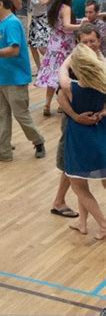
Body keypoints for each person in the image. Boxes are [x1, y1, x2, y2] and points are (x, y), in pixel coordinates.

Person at [0, 0, 45, 161]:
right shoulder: (1, 23)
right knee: (1, 116)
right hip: (1, 79)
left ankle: (38, 142)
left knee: (21, 115)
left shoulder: (12, 23)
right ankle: (3, 151)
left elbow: (14, 50)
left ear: (1, 4)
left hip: (15, 80)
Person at [52, 23, 103, 219]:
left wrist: (102, 113)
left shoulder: (101, 62)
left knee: (81, 169)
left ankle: (82, 219)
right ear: (77, 44)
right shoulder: (75, 64)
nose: (90, 45)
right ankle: (59, 201)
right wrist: (75, 116)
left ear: (99, 41)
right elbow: (60, 94)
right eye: (85, 42)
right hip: (76, 123)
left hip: (96, 123)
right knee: (72, 164)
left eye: (93, 41)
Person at [58, 44, 106, 240]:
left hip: (78, 139)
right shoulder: (103, 85)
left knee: (79, 185)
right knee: (82, 180)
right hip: (100, 135)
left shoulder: (71, 88)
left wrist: (71, 55)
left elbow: (61, 70)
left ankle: (103, 225)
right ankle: (82, 223)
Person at [35, 0, 82, 117]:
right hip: (65, 45)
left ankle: (47, 104)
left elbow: (59, 24)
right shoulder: (66, 7)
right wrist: (81, 25)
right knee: (64, 74)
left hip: (54, 43)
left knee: (52, 75)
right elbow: (67, 25)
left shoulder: (56, 6)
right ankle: (62, 104)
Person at [26, 0, 58, 73]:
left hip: (44, 20)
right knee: (32, 45)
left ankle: (53, 63)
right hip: (34, 20)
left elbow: (43, 2)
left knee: (42, 47)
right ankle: (39, 68)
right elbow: (31, 4)